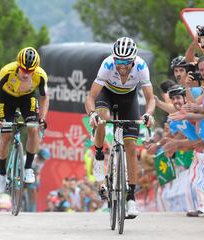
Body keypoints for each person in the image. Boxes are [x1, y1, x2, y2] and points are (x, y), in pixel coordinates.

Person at [85, 37, 155, 217]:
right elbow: (90, 97)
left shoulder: (141, 67)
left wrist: (148, 114)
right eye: (118, 60)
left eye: (125, 61)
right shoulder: (108, 65)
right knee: (103, 117)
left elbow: (150, 99)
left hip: (128, 99)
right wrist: (92, 114)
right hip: (106, 95)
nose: (121, 65)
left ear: (133, 59)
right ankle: (99, 155)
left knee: (131, 147)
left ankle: (131, 198)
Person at [0, 47, 49, 193]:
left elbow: (45, 97)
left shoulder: (41, 75)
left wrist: (42, 118)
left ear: (35, 69)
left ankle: (28, 168)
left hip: (27, 99)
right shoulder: (6, 71)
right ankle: (2, 173)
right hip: (7, 98)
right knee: (6, 135)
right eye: (23, 69)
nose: (26, 74)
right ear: (18, 65)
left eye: (30, 71)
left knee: (33, 128)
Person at [25, 148, 51, 212]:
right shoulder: (27, 158)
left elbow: (37, 173)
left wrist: (37, 185)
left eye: (44, 160)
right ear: (39, 156)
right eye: (42, 159)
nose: (43, 161)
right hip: (22, 173)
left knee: (34, 192)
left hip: (31, 177)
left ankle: (32, 209)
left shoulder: (41, 163)